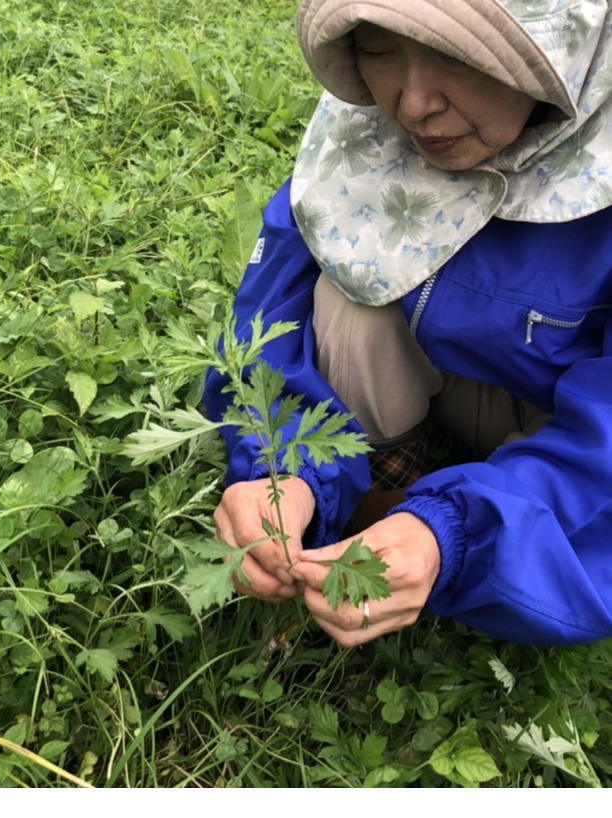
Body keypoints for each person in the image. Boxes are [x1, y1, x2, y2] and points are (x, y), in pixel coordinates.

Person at [205, 0, 612, 648]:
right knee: (341, 298)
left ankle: (459, 530)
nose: (414, 103)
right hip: (447, 380)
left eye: (458, 52)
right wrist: (281, 468)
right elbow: (272, 316)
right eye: (379, 48)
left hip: (562, 422)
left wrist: (455, 532)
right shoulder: (363, 136)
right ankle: (378, 506)